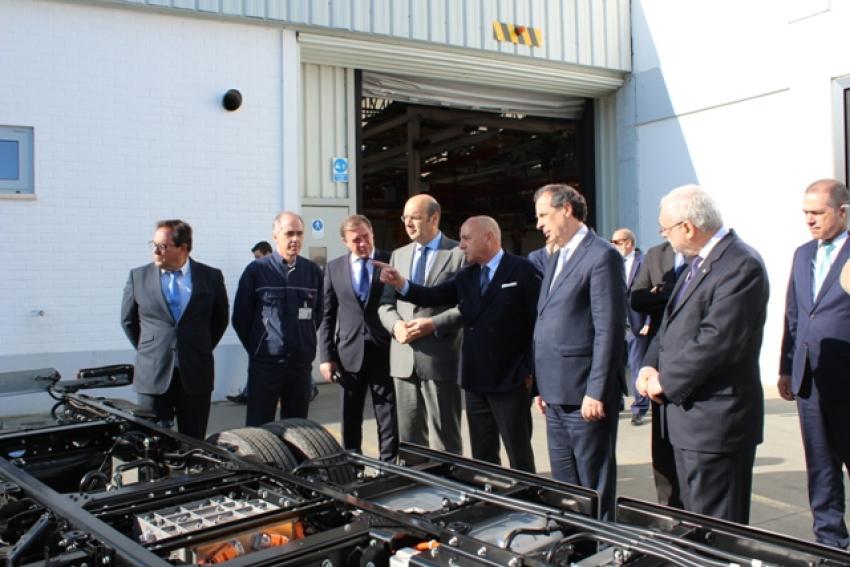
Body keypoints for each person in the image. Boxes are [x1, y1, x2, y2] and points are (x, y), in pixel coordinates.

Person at [637, 184, 769, 525]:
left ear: (687, 227)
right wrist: (649, 366)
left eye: (665, 229)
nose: (664, 238)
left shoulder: (740, 264)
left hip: (716, 423)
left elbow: (717, 340)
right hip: (686, 421)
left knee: (716, 529)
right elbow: (669, 324)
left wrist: (667, 381)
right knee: (690, 522)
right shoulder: (696, 265)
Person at [378, 216, 540, 471]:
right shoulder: (467, 276)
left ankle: (528, 494)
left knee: (518, 452)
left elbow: (537, 325)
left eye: (466, 238)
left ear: (488, 237)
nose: (461, 245)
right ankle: (489, 493)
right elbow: (431, 295)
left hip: (510, 378)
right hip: (475, 380)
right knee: (483, 454)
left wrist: (531, 372)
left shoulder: (522, 270)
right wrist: (401, 283)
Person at [532, 184, 625, 520]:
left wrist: (596, 390)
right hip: (555, 393)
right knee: (565, 486)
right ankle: (573, 542)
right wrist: (540, 387)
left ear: (567, 210)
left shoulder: (601, 255)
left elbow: (608, 329)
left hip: (584, 395)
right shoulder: (556, 255)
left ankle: (601, 543)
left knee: (592, 483)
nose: (539, 224)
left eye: (544, 215)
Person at [779, 178, 850, 549]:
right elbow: (794, 313)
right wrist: (785, 367)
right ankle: (829, 542)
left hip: (846, 378)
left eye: (818, 213)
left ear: (842, 212)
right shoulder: (803, 253)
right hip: (809, 379)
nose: (809, 220)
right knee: (820, 466)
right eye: (805, 212)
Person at [121, 219, 229, 439]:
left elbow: (220, 320)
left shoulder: (210, 277)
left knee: (194, 441)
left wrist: (197, 346)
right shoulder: (138, 277)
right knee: (150, 442)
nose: (155, 251)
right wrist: (152, 348)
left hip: (195, 374)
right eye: (153, 244)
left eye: (162, 246)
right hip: (153, 374)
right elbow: (128, 321)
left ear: (183, 248)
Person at [377, 194, 465, 454]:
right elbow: (385, 304)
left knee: (445, 436)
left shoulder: (458, 254)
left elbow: (465, 307)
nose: (408, 223)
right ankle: (416, 478)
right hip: (403, 359)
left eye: (414, 217)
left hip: (440, 357)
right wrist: (396, 326)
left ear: (434, 218)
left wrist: (432, 324)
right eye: (405, 218)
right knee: (410, 437)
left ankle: (448, 477)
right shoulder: (398, 255)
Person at [318, 215, 398, 462]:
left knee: (387, 413)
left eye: (366, 237)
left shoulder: (390, 261)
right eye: (356, 240)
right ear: (345, 241)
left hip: (384, 350)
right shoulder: (334, 268)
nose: (363, 244)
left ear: (372, 233)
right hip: (348, 353)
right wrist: (326, 357)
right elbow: (327, 315)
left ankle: (389, 465)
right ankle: (353, 465)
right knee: (350, 415)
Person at [232, 212, 324, 426]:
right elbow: (241, 318)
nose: (295, 239)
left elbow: (318, 314)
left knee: (297, 428)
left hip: (299, 365)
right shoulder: (257, 270)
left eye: (299, 233)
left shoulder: (312, 272)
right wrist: (259, 348)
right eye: (289, 233)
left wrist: (304, 342)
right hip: (265, 365)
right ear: (275, 236)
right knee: (259, 427)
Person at [629, 241, 686, 509]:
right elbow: (637, 299)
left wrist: (664, 292)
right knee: (663, 449)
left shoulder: (706, 258)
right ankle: (668, 510)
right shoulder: (656, 255)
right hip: (658, 358)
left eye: (668, 227)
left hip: (689, 365)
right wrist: (672, 295)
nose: (665, 233)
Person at [228, 240, 274, 405]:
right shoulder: (255, 273)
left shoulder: (278, 273)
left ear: (268, 254)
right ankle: (248, 392)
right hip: (261, 332)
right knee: (256, 363)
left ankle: (310, 386)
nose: (256, 260)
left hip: (274, 332)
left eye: (258, 257)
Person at [611, 228, 649, 426]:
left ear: (628, 243)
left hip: (637, 323)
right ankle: (617, 402)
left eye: (616, 242)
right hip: (616, 323)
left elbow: (652, 292)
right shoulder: (611, 262)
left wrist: (648, 322)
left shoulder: (644, 262)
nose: (613, 245)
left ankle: (639, 408)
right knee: (614, 366)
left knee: (636, 366)